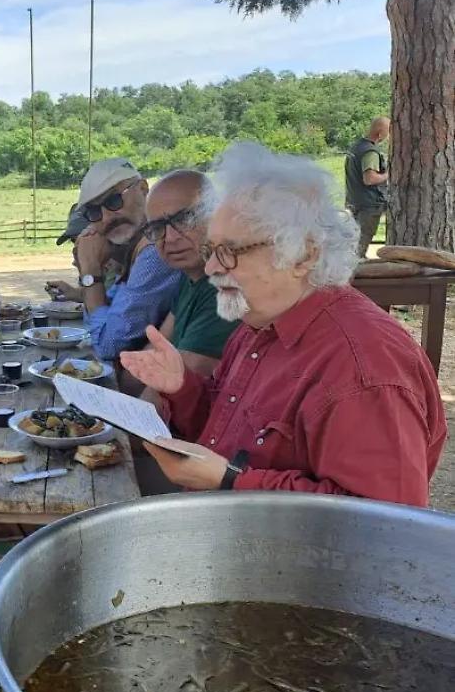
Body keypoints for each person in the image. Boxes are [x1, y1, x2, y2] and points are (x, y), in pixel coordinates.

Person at [120, 142, 446, 507]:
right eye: (211, 251)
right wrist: (182, 387)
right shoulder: (256, 323)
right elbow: (223, 429)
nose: (211, 268)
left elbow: (382, 522)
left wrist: (229, 481)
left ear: (304, 254)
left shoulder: (364, 365)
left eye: (230, 251)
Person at [46, 158, 181, 360]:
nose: (107, 218)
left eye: (114, 201)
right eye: (94, 212)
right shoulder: (133, 248)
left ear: (143, 189)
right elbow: (106, 316)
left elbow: (107, 345)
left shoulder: (155, 252)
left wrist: (91, 272)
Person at [140, 170, 239, 378]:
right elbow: (157, 346)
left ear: (215, 214)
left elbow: (177, 381)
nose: (171, 238)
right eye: (158, 228)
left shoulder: (225, 286)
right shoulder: (189, 276)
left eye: (185, 219)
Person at [345, 116, 390, 257]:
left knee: (351, 242)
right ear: (380, 133)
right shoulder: (370, 152)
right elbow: (369, 179)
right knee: (359, 248)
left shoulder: (356, 147)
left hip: (354, 201)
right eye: (387, 132)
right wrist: (389, 175)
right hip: (368, 205)